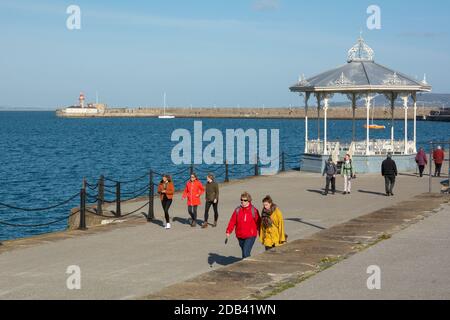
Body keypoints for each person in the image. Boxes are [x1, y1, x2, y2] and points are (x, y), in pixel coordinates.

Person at [226, 192, 261, 259]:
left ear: (249, 201)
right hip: (240, 235)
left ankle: (248, 267)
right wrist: (228, 231)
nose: (243, 202)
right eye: (241, 200)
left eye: (245, 200)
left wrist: (261, 232)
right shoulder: (237, 210)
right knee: (244, 253)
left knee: (245, 252)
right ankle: (246, 264)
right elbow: (232, 221)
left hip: (250, 235)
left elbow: (258, 222)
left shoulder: (254, 210)